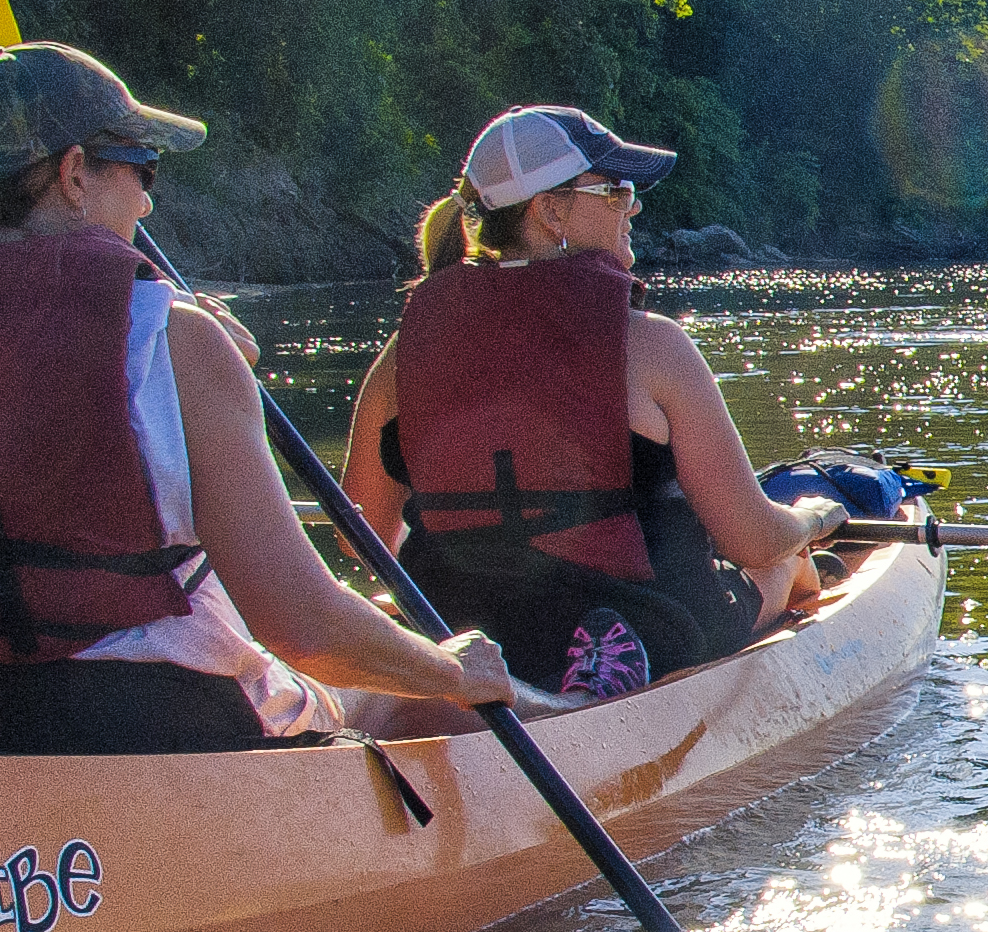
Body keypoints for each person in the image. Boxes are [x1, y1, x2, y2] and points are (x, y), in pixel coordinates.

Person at [0, 42, 510, 754]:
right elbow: (304, 629)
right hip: (155, 730)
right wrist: (450, 670)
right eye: (141, 170)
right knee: (409, 702)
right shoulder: (171, 337)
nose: (146, 200)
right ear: (74, 173)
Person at [339, 106, 846, 700]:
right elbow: (751, 539)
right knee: (785, 564)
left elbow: (362, 533)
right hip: (642, 615)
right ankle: (614, 662)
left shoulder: (404, 351)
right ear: (549, 209)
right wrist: (815, 518)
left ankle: (516, 672)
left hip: (463, 629)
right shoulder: (653, 345)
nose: (633, 206)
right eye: (616, 190)